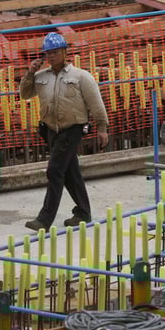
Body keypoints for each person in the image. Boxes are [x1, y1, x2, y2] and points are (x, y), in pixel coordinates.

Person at [19, 31, 109, 231]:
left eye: (55, 52)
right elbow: (24, 94)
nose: (51, 56)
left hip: (72, 129)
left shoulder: (80, 77)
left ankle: (44, 219)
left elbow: (96, 104)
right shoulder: (42, 77)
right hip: (51, 130)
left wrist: (102, 128)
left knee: (55, 170)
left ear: (65, 52)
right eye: (48, 53)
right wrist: (29, 73)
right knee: (70, 172)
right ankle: (83, 213)